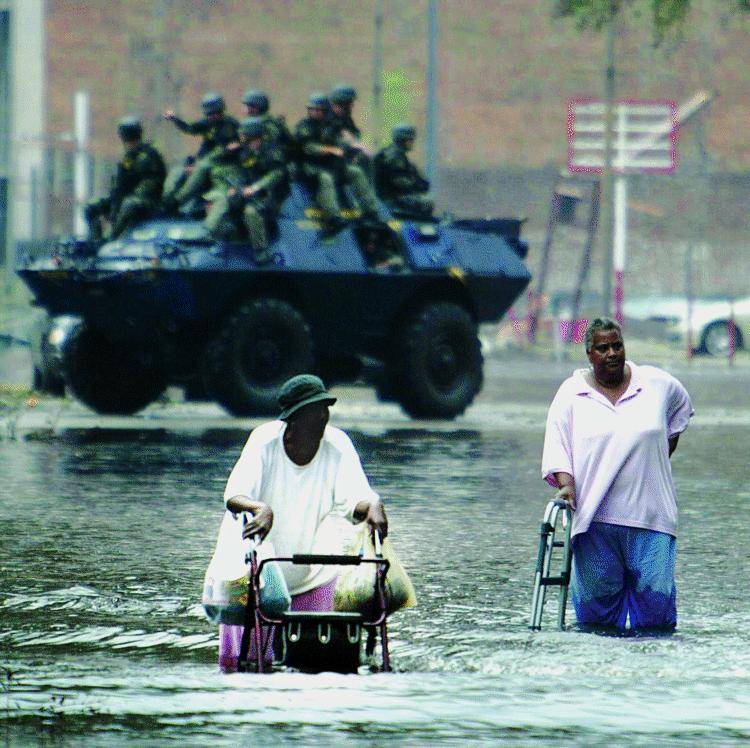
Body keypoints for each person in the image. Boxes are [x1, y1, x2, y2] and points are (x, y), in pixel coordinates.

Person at [218, 374, 388, 671]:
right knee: (252, 657)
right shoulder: (264, 442)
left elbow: (355, 499)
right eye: (314, 411)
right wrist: (261, 508)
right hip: (258, 557)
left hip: (307, 562)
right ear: (294, 421)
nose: (323, 416)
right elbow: (234, 495)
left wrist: (374, 506)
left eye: (325, 409)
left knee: (315, 662)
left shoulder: (338, 446)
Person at [541, 317, 693, 633]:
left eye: (617, 345)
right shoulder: (571, 394)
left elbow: (680, 412)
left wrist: (657, 456)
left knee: (656, 621)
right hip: (595, 521)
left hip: (651, 518)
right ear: (589, 354)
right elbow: (558, 445)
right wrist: (566, 485)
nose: (612, 353)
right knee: (596, 621)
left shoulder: (655, 383)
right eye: (603, 348)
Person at [294, 92, 384, 235]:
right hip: (311, 167)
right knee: (325, 179)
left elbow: (343, 140)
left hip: (331, 165)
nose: (315, 112)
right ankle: (333, 217)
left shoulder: (331, 125)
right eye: (312, 109)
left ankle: (370, 211)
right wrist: (331, 149)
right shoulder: (305, 127)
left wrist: (352, 148)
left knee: (355, 172)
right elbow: (308, 148)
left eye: (319, 110)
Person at [203, 116, 289, 264]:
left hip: (269, 197)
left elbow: (276, 174)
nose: (241, 138)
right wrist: (235, 189)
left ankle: (261, 250)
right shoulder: (244, 152)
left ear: (253, 137)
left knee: (250, 212)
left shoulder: (272, 152)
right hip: (247, 192)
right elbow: (239, 172)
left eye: (244, 136)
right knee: (218, 203)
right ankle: (220, 234)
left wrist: (256, 187)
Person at [84, 116, 166, 240]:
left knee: (129, 205)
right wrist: (113, 203)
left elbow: (152, 186)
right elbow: (120, 186)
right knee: (91, 208)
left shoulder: (149, 155)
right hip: (125, 198)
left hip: (147, 201)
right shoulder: (128, 157)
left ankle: (112, 239)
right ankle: (96, 241)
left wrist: (119, 204)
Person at [162, 92, 240, 210]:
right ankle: (166, 198)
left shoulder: (231, 125)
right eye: (209, 114)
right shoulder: (207, 124)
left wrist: (231, 147)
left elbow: (236, 145)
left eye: (215, 113)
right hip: (206, 158)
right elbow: (190, 129)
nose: (211, 117)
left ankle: (178, 200)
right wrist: (175, 119)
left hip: (224, 161)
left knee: (202, 168)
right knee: (182, 168)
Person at [374, 124, 434, 219]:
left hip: (390, 196)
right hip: (390, 199)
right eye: (410, 140)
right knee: (426, 204)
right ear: (402, 140)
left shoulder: (395, 153)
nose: (412, 143)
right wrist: (417, 184)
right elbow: (399, 181)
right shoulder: (394, 156)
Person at [241, 89, 295, 160]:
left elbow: (274, 143)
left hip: (272, 160)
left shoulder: (268, 124)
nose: (246, 109)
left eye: (249, 106)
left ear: (257, 107)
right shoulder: (253, 123)